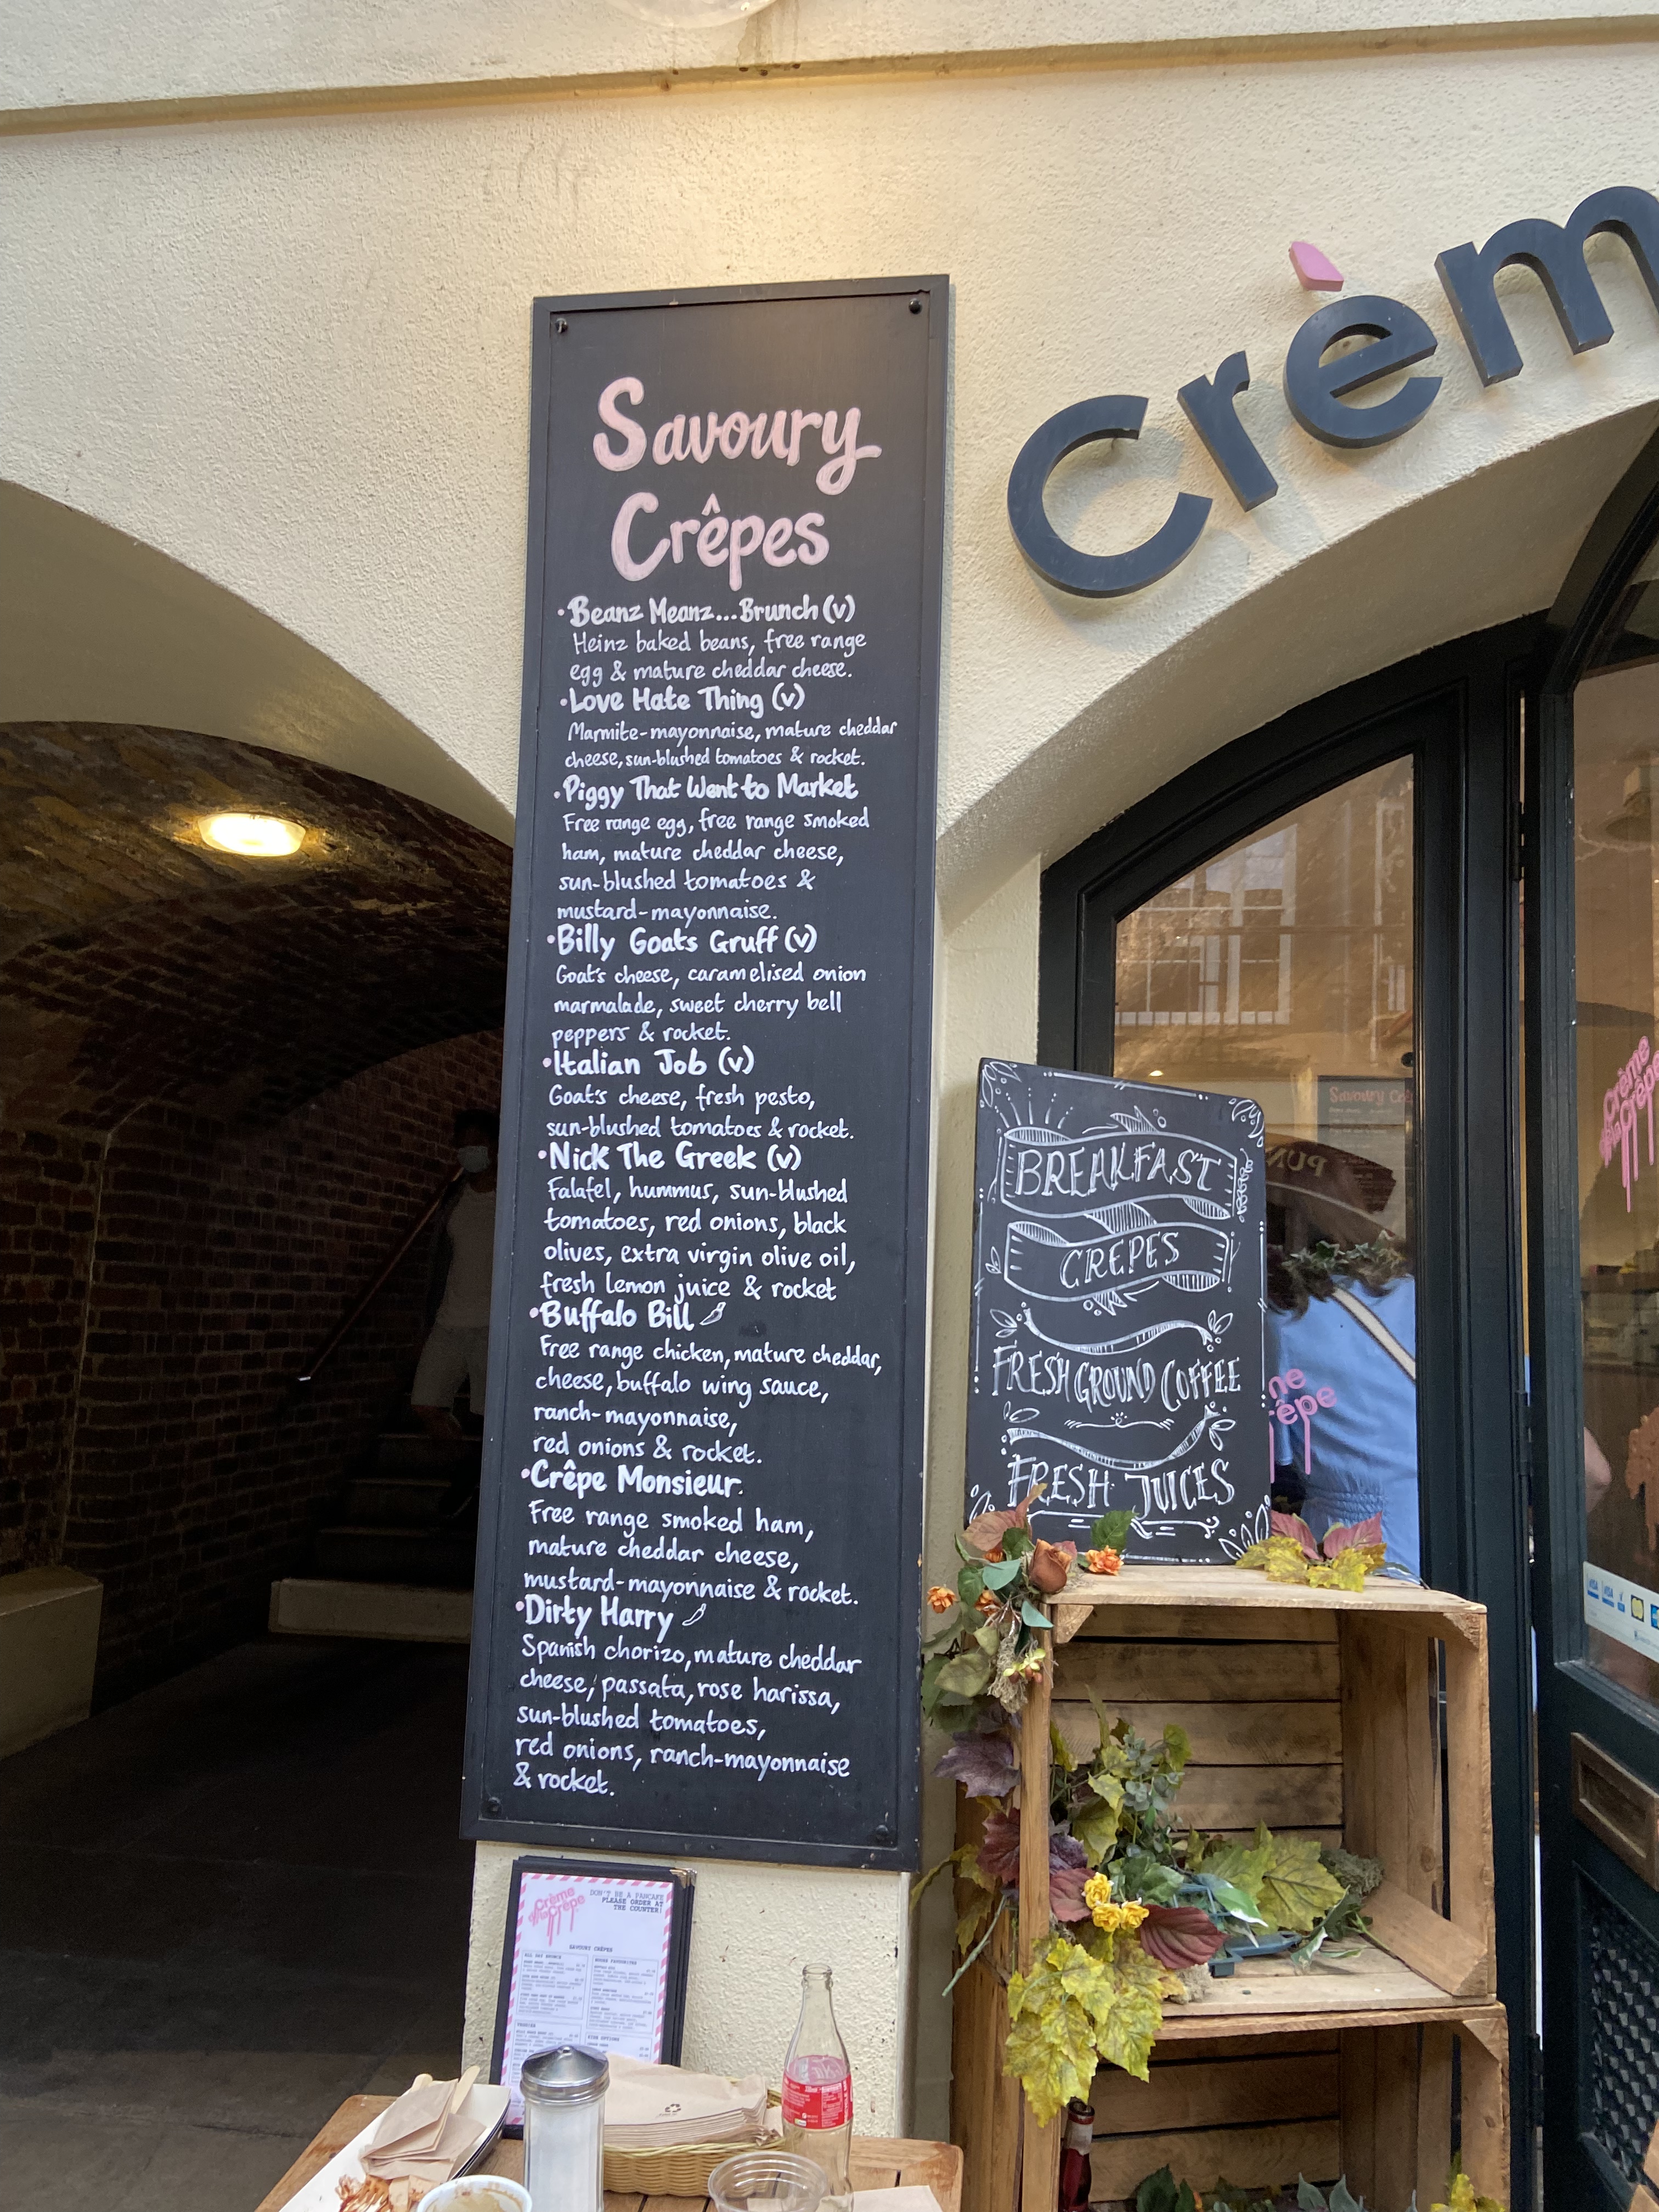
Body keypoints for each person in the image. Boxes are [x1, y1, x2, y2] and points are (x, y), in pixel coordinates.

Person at [1265, 1235, 1420, 1578]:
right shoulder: (1420, 1296)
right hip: (1473, 1535)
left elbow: (1272, 1458)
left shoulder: (1285, 1325)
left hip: (1363, 1551)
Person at [411, 1108, 499, 1441]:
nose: (467, 1151)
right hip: (450, 1320)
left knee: (490, 1416)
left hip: (492, 1326)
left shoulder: (513, 1198)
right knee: (425, 1404)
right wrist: (427, 1319)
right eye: (462, 1144)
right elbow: (441, 1260)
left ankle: (483, 1471)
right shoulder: (455, 1196)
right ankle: (463, 1460)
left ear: (494, 1146)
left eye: (475, 1143)